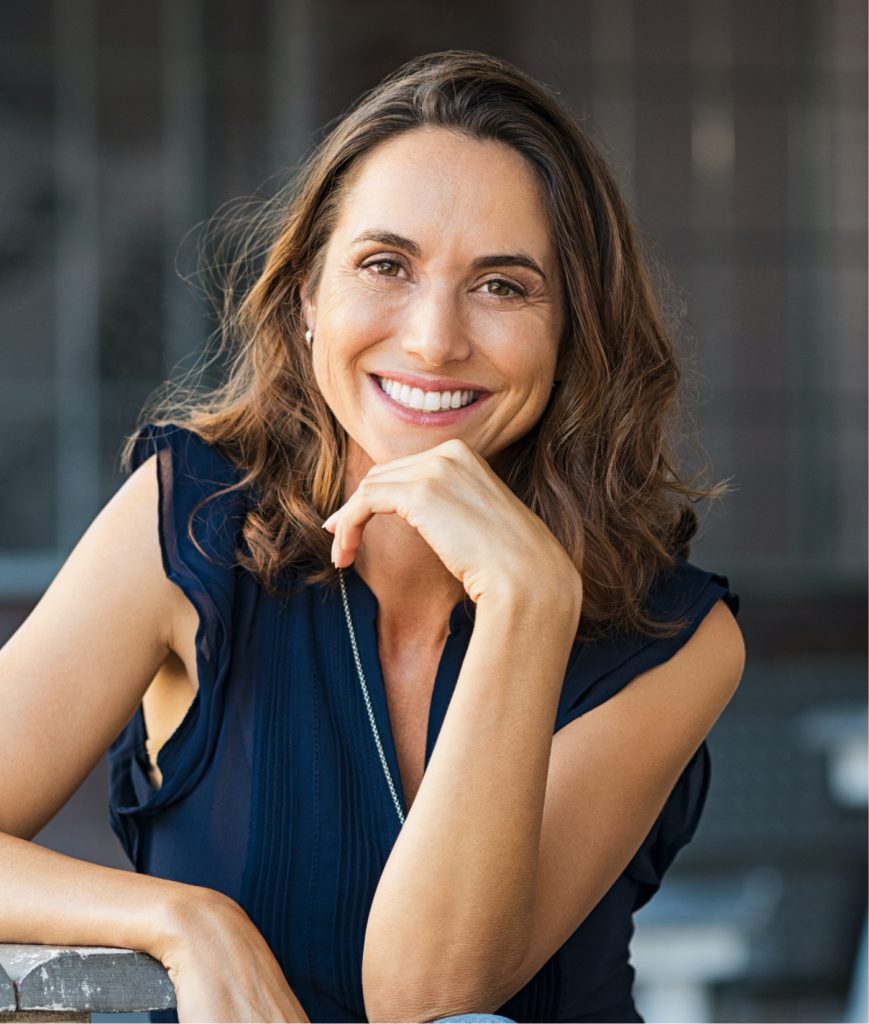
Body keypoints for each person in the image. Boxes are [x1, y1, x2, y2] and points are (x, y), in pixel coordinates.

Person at [0, 50, 745, 1024]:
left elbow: (422, 997)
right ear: (308, 295)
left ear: (571, 329)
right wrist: (184, 919)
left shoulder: (674, 638)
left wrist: (527, 602)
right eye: (384, 265)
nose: (434, 338)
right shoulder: (185, 518)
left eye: (503, 286)